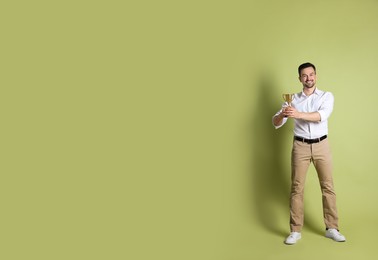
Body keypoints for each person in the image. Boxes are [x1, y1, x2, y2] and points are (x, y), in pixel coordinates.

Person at [272, 62, 346, 245]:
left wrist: (297, 115)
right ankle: (295, 230)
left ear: (316, 75)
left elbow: (321, 115)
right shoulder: (292, 100)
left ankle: (332, 228)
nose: (309, 78)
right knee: (297, 188)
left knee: (328, 187)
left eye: (311, 74)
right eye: (304, 75)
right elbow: (275, 122)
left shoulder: (326, 96)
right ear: (299, 78)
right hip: (300, 146)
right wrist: (283, 114)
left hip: (322, 145)